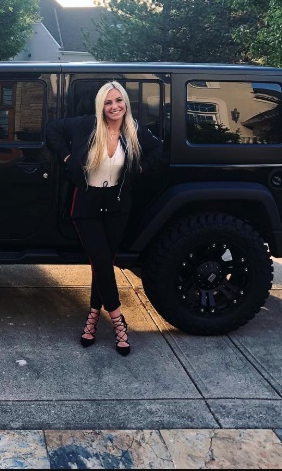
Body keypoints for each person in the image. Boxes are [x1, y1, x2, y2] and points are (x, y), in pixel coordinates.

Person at [46, 81, 162, 356]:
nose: (114, 107)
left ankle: (92, 318)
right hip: (86, 205)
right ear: (101, 105)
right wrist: (67, 158)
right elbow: (52, 130)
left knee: (103, 265)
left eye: (118, 101)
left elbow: (158, 150)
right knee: (101, 262)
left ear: (126, 103)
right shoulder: (86, 125)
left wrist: (139, 168)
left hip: (118, 206)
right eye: (108, 102)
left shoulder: (133, 130)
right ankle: (119, 323)